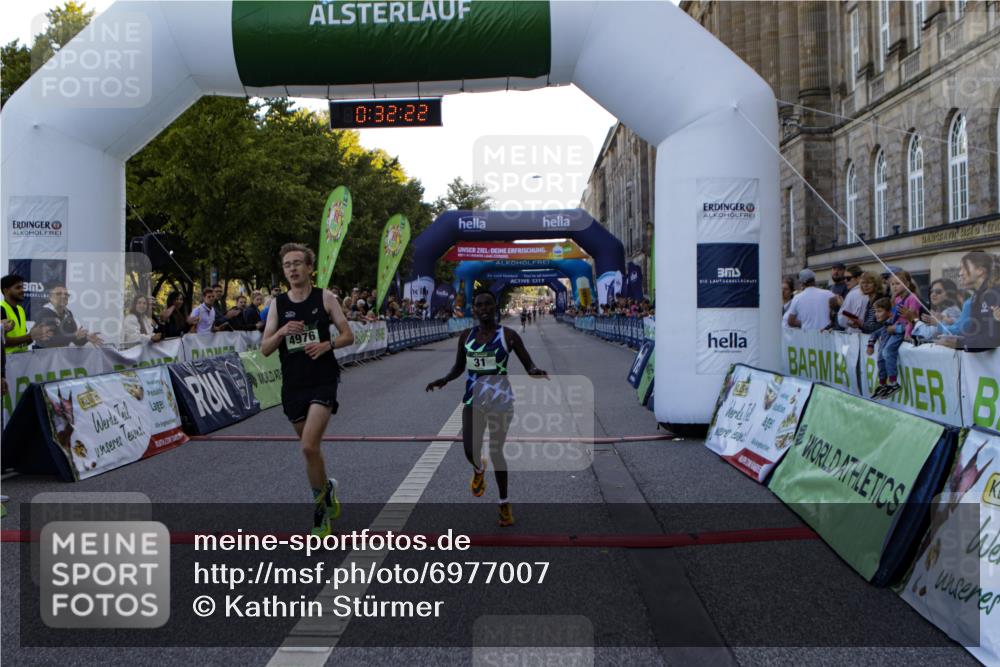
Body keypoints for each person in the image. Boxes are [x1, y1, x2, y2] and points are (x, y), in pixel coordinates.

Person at [425, 290, 548, 527]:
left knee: (496, 451)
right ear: (474, 309)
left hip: (501, 400)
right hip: (473, 399)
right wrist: (444, 379)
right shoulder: (465, 337)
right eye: (479, 305)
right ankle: (479, 469)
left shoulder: (509, 336)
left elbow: (528, 363)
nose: (483, 309)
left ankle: (504, 504)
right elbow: (459, 367)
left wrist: (534, 371)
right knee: (469, 450)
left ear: (495, 307)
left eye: (488, 305)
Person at [261, 243, 353, 537]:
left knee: (309, 446)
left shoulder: (324, 297)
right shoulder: (277, 304)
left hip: (322, 379)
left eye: (298, 263)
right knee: (312, 453)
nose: (292, 269)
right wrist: (281, 332)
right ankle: (327, 488)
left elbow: (348, 335)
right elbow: (264, 348)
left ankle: (320, 513)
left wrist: (328, 345)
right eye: (287, 265)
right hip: (294, 384)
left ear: (310, 268)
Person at [938, 251, 1000, 352]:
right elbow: (974, 331)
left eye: (964, 267)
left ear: (980, 271)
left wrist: (959, 343)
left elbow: (992, 338)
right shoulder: (977, 295)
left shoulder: (993, 293)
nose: (960, 273)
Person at [33, 284, 103, 349]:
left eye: (66, 294)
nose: (63, 296)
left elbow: (76, 341)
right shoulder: (44, 313)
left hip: (60, 358)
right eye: (59, 294)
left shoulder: (68, 313)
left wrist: (86, 338)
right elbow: (47, 342)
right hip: (45, 359)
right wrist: (73, 336)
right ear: (50, 297)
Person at [0, 274, 52, 352]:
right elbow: (2, 341)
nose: (22, 290)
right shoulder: (1, 308)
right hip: (6, 361)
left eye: (22, 287)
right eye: (18, 287)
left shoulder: (20, 310)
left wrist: (35, 335)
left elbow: (22, 342)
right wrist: (31, 336)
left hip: (21, 360)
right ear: (6, 291)